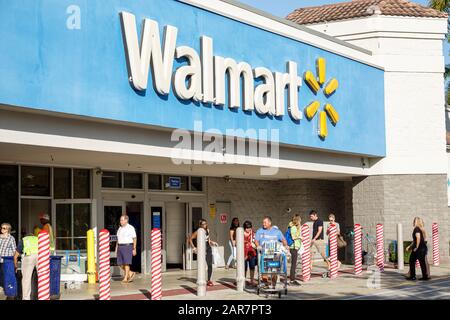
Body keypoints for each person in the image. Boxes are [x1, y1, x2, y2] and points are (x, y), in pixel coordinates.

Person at [254, 216, 288, 288]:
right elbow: (256, 240)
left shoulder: (277, 232)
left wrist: (285, 245)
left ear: (270, 223)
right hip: (264, 254)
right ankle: (266, 284)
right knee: (264, 270)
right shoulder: (260, 231)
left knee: (274, 271)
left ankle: (273, 285)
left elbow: (283, 240)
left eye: (265, 222)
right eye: (263, 222)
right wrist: (258, 246)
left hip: (275, 254)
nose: (263, 224)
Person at [189, 219, 218, 286]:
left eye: (206, 223)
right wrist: (194, 248)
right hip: (201, 249)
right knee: (202, 265)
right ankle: (200, 279)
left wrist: (212, 242)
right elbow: (190, 239)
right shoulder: (197, 232)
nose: (205, 225)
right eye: (203, 224)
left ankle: (209, 280)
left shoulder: (207, 230)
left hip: (208, 248)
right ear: (200, 225)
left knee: (210, 264)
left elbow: (208, 240)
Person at [14, 233, 38, 300]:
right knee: (43, 278)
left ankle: (26, 298)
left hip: (28, 257)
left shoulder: (24, 240)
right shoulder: (38, 239)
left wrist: (15, 266)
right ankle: (44, 296)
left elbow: (16, 255)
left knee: (26, 279)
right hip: (40, 257)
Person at [115, 215, 137, 283]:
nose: (120, 221)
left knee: (126, 263)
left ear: (126, 220)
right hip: (120, 246)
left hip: (128, 246)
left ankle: (125, 278)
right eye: (120, 220)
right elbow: (118, 239)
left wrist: (134, 248)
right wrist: (116, 248)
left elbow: (134, 238)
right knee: (120, 263)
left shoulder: (131, 228)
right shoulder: (120, 228)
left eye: (122, 220)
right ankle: (130, 273)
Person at [0, 223, 17, 290]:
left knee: (6, 277)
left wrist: (14, 262)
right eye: (1, 228)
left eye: (4, 228)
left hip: (6, 261)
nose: (2, 229)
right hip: (0, 260)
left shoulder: (11, 238)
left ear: (8, 230)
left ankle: (7, 292)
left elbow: (14, 251)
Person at [288, 215, 302, 286]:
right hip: (293, 248)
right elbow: (294, 237)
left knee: (294, 264)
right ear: (297, 221)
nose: (300, 222)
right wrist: (300, 237)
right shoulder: (293, 227)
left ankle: (293, 279)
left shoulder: (294, 227)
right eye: (300, 220)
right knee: (293, 265)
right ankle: (292, 280)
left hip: (295, 247)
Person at [243, 220, 257, 286]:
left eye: (249, 228)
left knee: (252, 266)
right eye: (247, 228)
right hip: (243, 252)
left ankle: (252, 280)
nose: (248, 229)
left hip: (251, 252)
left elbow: (256, 241)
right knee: (244, 267)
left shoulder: (253, 233)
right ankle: (244, 280)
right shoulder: (240, 233)